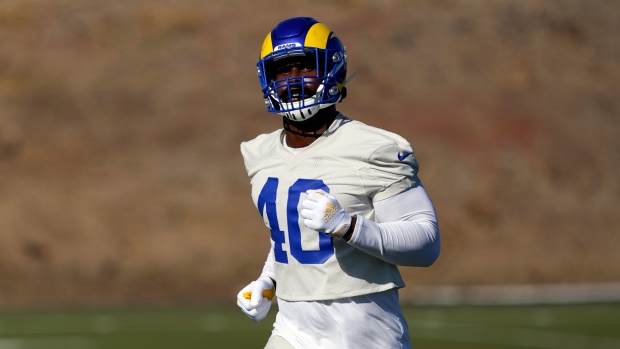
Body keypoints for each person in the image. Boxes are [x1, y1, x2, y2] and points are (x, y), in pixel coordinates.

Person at [236, 16, 440, 349]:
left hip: (363, 330)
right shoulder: (259, 153)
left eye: (303, 67)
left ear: (332, 68)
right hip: (292, 327)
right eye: (282, 70)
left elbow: (427, 243)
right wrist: (269, 279)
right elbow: (290, 233)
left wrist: (349, 226)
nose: (292, 79)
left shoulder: (373, 147)